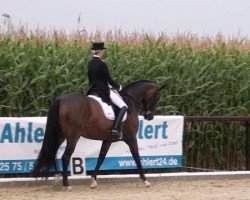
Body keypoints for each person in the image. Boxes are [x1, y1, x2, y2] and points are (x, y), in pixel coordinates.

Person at [87, 42, 127, 140]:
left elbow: (91, 79)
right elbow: (108, 79)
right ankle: (115, 130)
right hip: (103, 90)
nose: (103, 52)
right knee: (123, 106)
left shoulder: (90, 63)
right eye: (103, 51)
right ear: (100, 51)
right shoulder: (102, 64)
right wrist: (118, 87)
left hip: (92, 90)